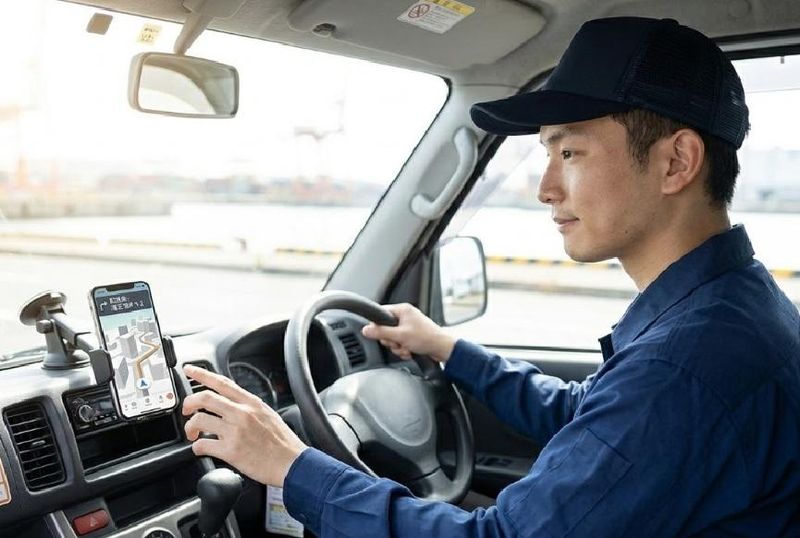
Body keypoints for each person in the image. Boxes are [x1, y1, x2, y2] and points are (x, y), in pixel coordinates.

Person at [182, 16, 800, 537]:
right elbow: (589, 417)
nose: (546, 188)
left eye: (570, 152)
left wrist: (290, 466)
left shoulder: (685, 366)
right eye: (547, 154)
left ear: (676, 162)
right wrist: (448, 350)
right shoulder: (734, 306)